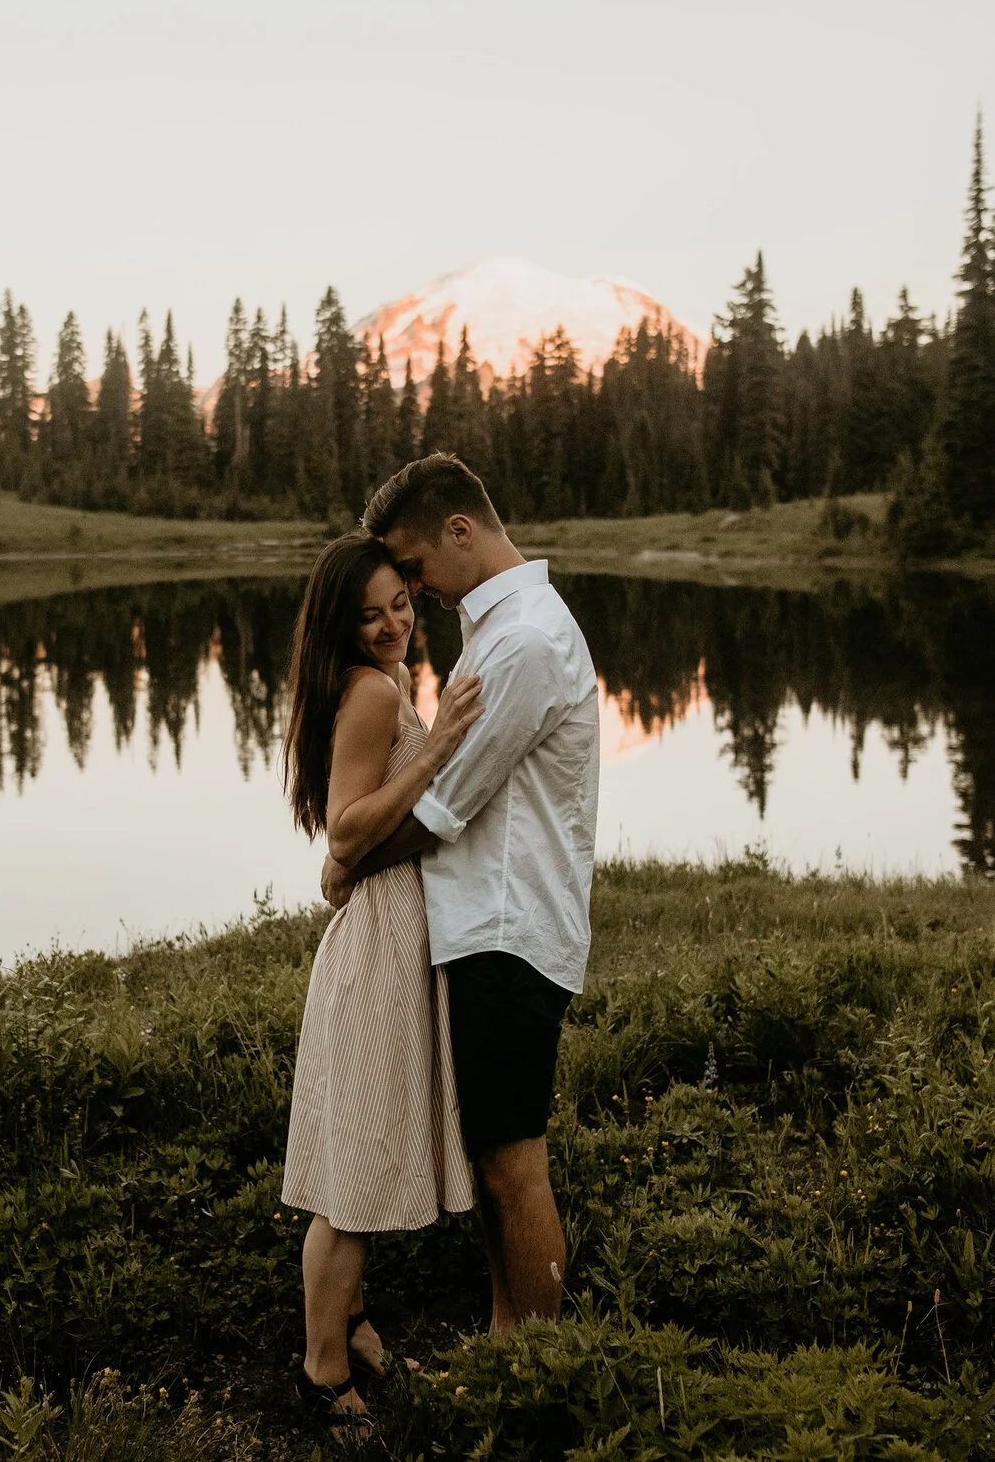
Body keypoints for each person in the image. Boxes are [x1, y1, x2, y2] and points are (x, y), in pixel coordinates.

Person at [323, 452, 600, 1338]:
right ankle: (505, 1338)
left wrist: (350, 857)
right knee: (494, 1162)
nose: (411, 590)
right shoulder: (500, 628)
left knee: (515, 1166)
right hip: (486, 929)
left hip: (511, 933)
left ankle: (541, 1368)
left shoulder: (522, 641)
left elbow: (443, 808)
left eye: (411, 567)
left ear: (459, 530)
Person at [278, 533, 486, 1432]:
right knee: (348, 1184)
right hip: (374, 953)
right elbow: (347, 835)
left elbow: (352, 834)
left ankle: (353, 1320)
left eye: (399, 602)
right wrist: (437, 748)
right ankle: (323, 1374)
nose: (393, 623)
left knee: (357, 1157)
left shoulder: (379, 682)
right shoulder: (369, 691)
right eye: (368, 614)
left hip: (389, 940)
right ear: (340, 624)